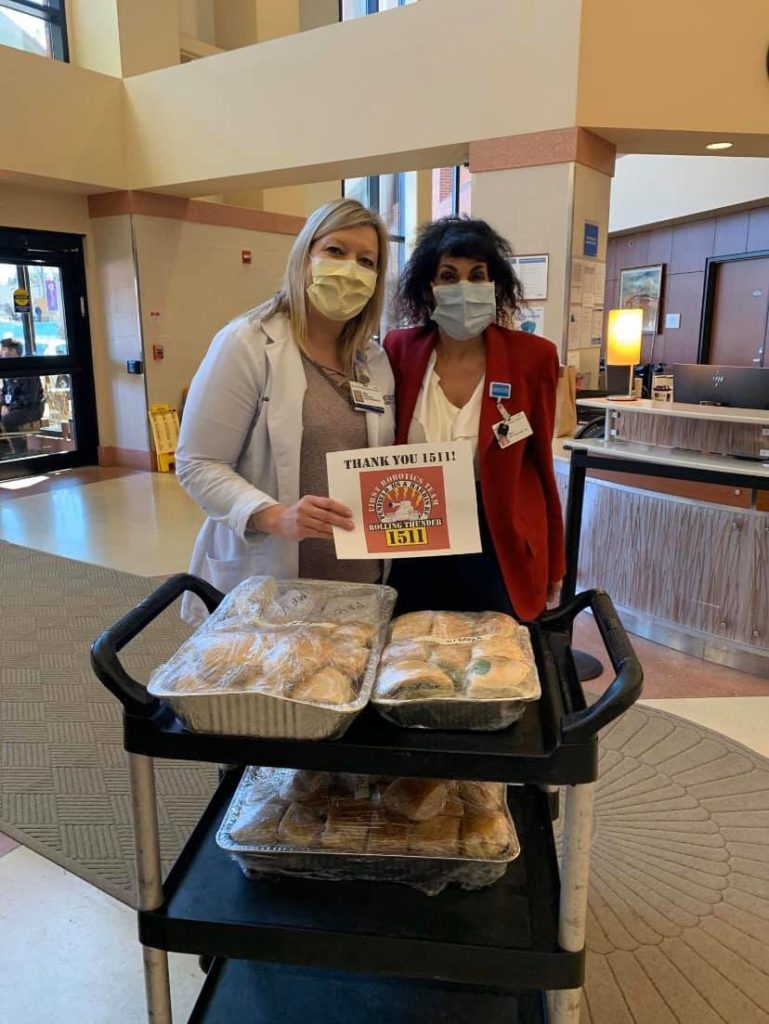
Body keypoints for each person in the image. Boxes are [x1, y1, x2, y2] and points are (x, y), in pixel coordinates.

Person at [176, 198, 395, 623]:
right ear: (305, 256)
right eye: (335, 251)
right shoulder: (247, 344)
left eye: (366, 261)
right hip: (269, 581)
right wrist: (275, 515)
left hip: (358, 584)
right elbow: (198, 463)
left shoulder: (374, 362)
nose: (351, 268)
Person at [383, 217, 565, 621]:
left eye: (476, 275)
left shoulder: (533, 358)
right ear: (428, 289)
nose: (463, 287)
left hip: (497, 533)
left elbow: (541, 466)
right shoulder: (399, 351)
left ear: (495, 284)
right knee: (412, 655)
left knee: (496, 657)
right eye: (448, 276)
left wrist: (555, 561)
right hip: (416, 524)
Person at [1, 337, 44, 454]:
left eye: (4, 349)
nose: (1, 352)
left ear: (13, 352)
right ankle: (4, 451)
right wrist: (3, 405)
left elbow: (28, 398)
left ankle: (20, 451)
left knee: (8, 420)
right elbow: (4, 392)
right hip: (14, 408)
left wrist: (9, 408)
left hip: (31, 409)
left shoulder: (27, 369)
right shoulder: (8, 370)